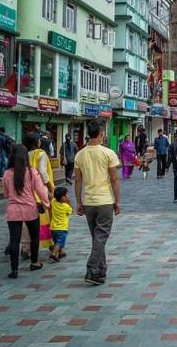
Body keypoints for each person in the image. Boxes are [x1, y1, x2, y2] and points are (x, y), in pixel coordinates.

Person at [74, 118, 121, 286]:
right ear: (101, 135)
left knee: (97, 237)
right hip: (104, 200)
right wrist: (117, 201)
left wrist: (78, 202)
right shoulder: (108, 153)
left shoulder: (80, 154)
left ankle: (100, 271)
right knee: (101, 236)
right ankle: (92, 267)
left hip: (89, 201)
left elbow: (77, 181)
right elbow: (114, 179)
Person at [2, 145, 49, 278]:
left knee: (14, 240)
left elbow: (6, 193)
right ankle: (34, 262)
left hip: (13, 211)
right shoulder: (32, 172)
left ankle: (14, 269)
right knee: (34, 237)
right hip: (30, 209)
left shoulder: (7, 174)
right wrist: (46, 203)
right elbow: (41, 191)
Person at [23, 132, 54, 258]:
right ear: (37, 142)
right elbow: (43, 172)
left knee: (27, 221)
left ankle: (26, 247)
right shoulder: (41, 154)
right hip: (39, 191)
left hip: (26, 191)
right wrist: (50, 187)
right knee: (45, 218)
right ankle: (50, 244)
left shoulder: (23, 154)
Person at [49, 186, 73, 262]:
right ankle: (53, 254)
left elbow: (53, 199)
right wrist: (69, 202)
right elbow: (70, 211)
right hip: (62, 229)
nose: (68, 196)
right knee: (59, 242)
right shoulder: (66, 206)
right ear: (63, 197)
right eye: (67, 195)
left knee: (56, 241)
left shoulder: (53, 202)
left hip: (53, 228)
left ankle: (61, 252)